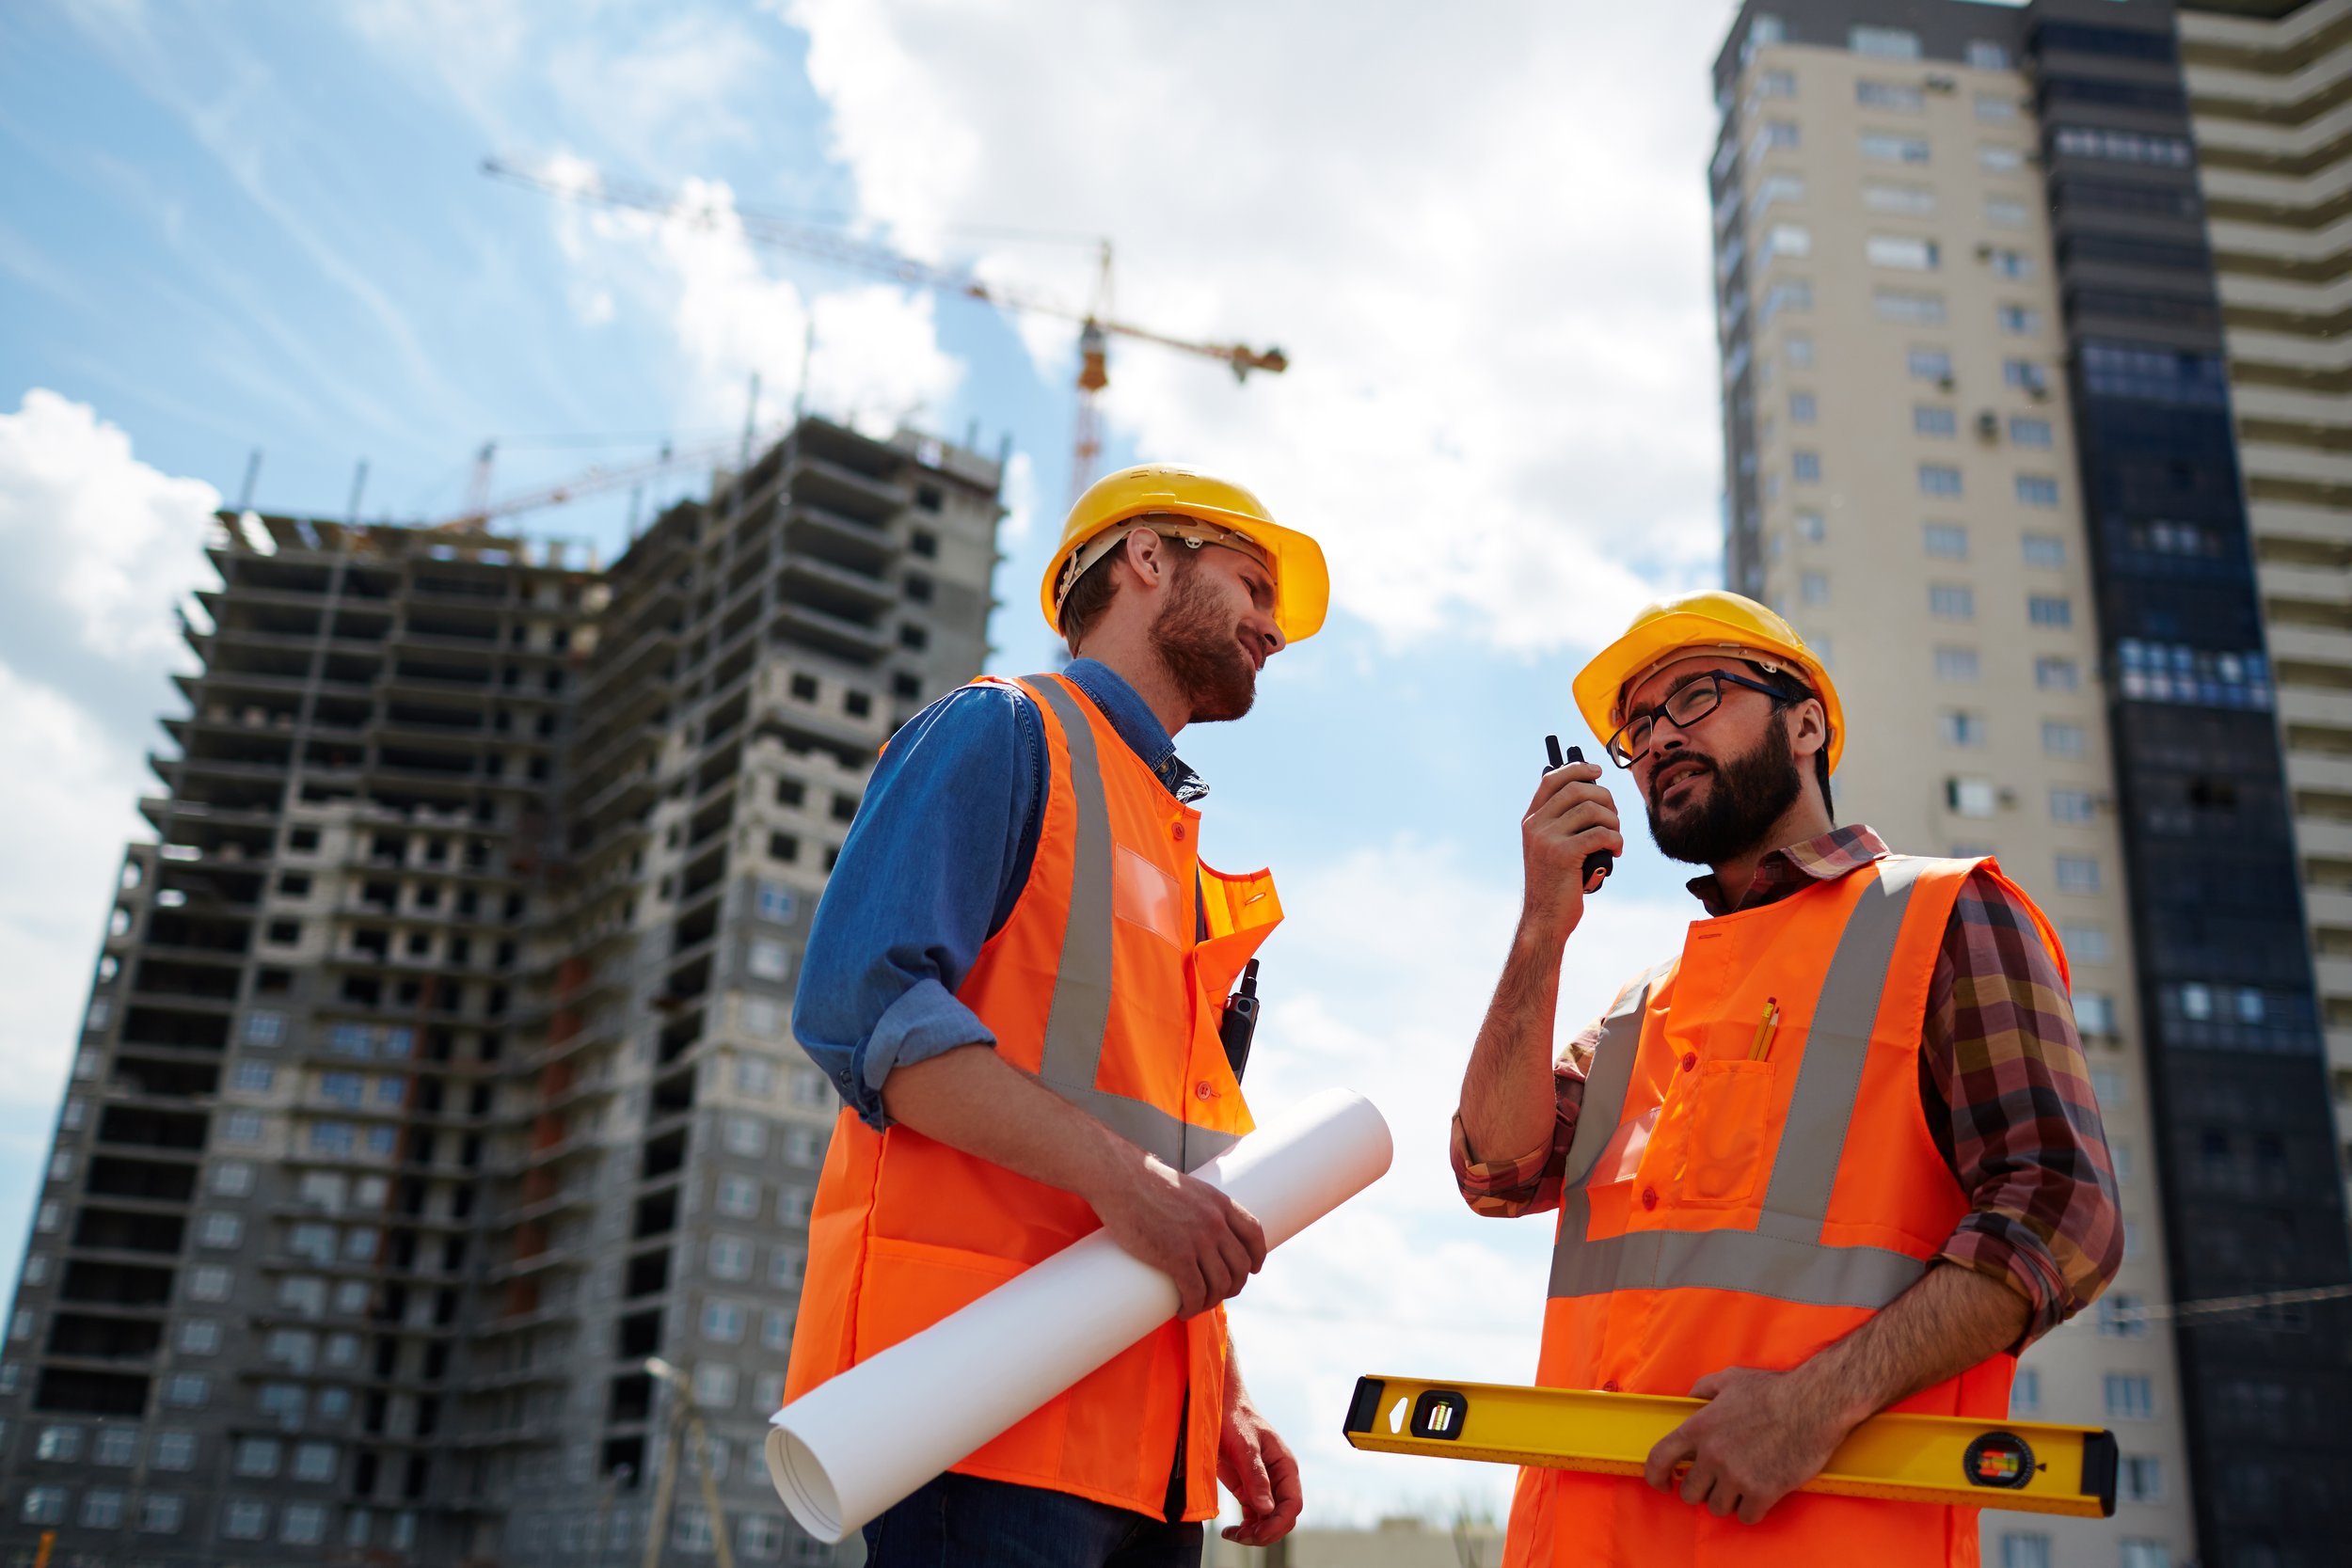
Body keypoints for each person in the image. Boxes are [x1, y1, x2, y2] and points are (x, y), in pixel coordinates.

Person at [1454, 591, 2122, 1566]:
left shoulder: (1942, 914)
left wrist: (1816, 1403)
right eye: (1638, 727)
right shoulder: (1644, 1006)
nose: (1660, 739)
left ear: (1805, 720)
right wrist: (1539, 927)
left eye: (1696, 696)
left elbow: (2064, 1212)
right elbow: (1494, 1168)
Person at [785, 465, 1330, 1566]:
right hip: (983, 1415)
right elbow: (865, 1011)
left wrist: (1219, 1390)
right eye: (1249, 582)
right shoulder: (1004, 732)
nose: (1272, 627)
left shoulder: (1169, 844)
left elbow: (1171, 1163)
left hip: (1151, 1453)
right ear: (1145, 559)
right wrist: (1129, 1185)